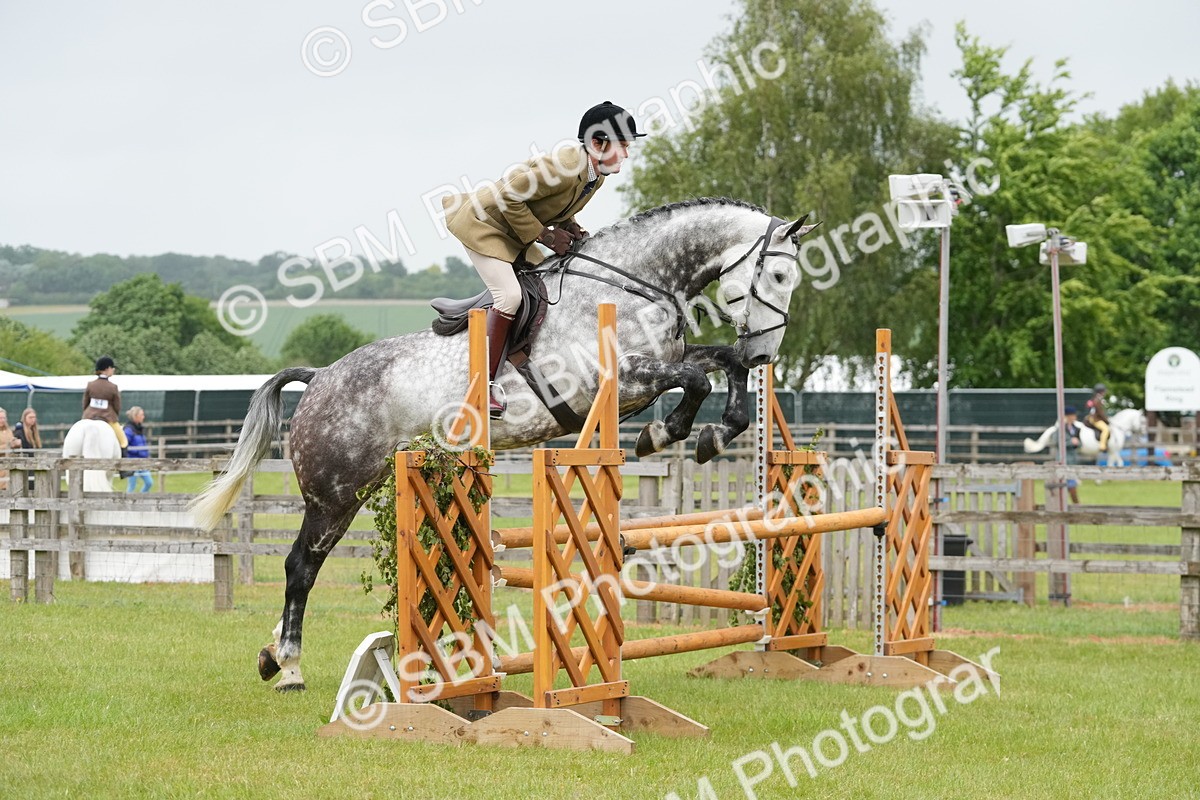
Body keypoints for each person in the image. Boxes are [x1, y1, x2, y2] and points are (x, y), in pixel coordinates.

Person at [441, 100, 646, 418]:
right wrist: (547, 237)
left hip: (512, 231)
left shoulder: (597, 174)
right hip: (483, 223)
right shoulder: (562, 167)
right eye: (622, 145)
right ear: (597, 144)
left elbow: (558, 206)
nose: (627, 154)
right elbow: (507, 196)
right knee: (509, 296)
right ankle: (480, 387)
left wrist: (571, 227)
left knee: (547, 282)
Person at [82, 355, 128, 450]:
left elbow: (85, 403)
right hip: (108, 416)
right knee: (123, 442)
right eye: (112, 367)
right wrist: (115, 416)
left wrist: (87, 413)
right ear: (107, 369)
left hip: (89, 416)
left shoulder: (90, 385)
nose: (113, 370)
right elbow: (117, 406)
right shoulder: (113, 387)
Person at [123, 406, 153, 493]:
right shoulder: (128, 430)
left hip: (143, 461)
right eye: (141, 415)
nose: (143, 417)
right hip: (132, 462)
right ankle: (128, 500)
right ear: (135, 416)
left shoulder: (140, 428)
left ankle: (141, 498)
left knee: (149, 483)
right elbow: (125, 446)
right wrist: (138, 452)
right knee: (132, 485)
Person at [12, 407, 40, 492]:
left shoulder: (33, 431)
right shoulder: (20, 431)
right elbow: (15, 443)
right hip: (24, 462)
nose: (33, 420)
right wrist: (17, 442)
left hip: (33, 461)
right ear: (25, 418)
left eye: (34, 417)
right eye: (30, 417)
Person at [1062, 406, 1081, 503]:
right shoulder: (1061, 429)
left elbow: (1080, 443)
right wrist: (1070, 442)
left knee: (1072, 486)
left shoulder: (1076, 429)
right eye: (1072, 415)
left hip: (1073, 460)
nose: (1074, 417)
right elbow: (1057, 442)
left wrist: (1077, 443)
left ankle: (1076, 505)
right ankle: (1076, 505)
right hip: (1064, 460)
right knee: (1069, 486)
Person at [1085, 383, 1110, 451]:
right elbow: (1100, 412)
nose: (1105, 393)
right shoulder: (1097, 400)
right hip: (1095, 419)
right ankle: (1102, 445)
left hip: (1095, 418)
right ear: (1101, 392)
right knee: (1106, 429)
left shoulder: (1096, 399)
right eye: (1104, 391)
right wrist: (1107, 420)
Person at [0, 408, 20, 491]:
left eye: (4, 418)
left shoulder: (8, 430)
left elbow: (11, 441)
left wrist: (16, 443)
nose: (2, 420)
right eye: (0, 418)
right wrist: (8, 446)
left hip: (9, 467)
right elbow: (8, 445)